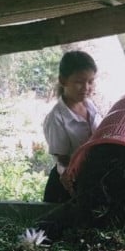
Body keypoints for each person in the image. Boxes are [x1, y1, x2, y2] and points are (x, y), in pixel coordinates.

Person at [42, 50, 103, 203]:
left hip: (93, 179)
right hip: (69, 184)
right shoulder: (57, 118)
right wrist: (73, 175)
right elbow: (62, 159)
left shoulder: (90, 106)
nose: (86, 88)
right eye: (79, 82)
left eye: (90, 81)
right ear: (63, 80)